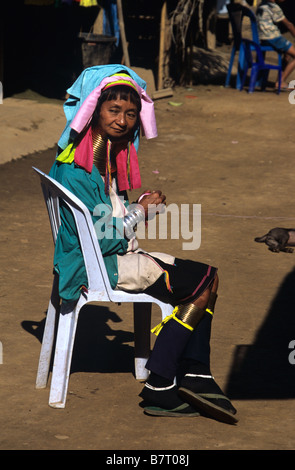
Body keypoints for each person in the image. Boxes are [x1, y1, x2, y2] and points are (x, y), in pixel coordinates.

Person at [49, 64, 238, 424]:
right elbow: (104, 238)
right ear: (93, 109)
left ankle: (194, 373)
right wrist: (140, 211)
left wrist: (136, 207)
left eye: (131, 113)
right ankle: (163, 383)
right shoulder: (82, 168)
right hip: (101, 264)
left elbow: (103, 219)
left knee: (205, 278)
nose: (122, 121)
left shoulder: (90, 156)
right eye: (113, 110)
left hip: (101, 256)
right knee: (204, 281)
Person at [256, 0, 295, 89]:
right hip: (274, 38)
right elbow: (289, 25)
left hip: (263, 38)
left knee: (287, 54)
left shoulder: (261, 5)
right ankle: (280, 82)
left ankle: (281, 80)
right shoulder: (274, 7)